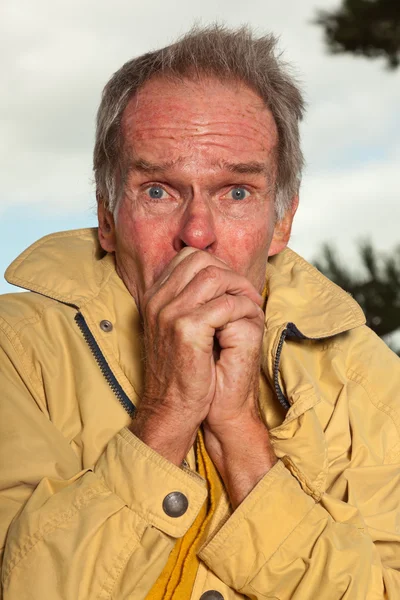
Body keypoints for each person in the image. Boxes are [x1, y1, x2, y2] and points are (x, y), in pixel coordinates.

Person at [0, 25, 399, 600]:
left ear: (281, 222)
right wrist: (166, 412)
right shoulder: (15, 351)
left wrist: (240, 434)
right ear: (107, 217)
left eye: (236, 192)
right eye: (158, 190)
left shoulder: (370, 381)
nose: (197, 234)